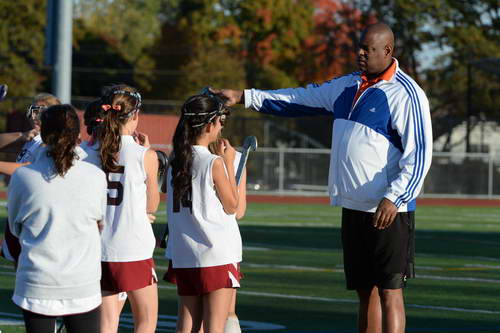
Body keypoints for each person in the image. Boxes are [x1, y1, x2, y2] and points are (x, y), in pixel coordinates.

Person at [215, 23, 433, 333]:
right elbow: (296, 99)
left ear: (387, 51)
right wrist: (242, 96)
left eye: (367, 49)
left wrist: (394, 197)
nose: (359, 53)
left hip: (388, 210)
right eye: (358, 46)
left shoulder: (406, 94)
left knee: (390, 290)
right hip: (353, 205)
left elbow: (420, 154)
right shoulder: (345, 86)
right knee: (364, 291)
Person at [7, 104, 107, 333]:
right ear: (78, 135)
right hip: (82, 283)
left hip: (37, 282)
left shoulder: (23, 176)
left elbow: (15, 228)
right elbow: (100, 224)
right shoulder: (96, 176)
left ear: (43, 134)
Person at [81, 85, 160, 333]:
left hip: (97, 247)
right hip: (133, 247)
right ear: (135, 115)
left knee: (106, 324)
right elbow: (152, 204)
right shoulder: (144, 154)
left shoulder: (85, 152)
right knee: (146, 322)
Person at [163, 94, 243, 333]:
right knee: (214, 327)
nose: (221, 128)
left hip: (185, 252)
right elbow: (233, 206)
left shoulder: (175, 159)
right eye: (220, 122)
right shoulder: (213, 162)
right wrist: (228, 162)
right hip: (215, 252)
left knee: (186, 324)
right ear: (209, 125)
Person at [0, 93, 61, 264]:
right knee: (18, 264)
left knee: (30, 266)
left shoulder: (51, 141)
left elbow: (27, 169)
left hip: (34, 211)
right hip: (20, 207)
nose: (34, 116)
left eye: (40, 112)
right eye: (33, 111)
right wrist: (22, 135)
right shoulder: (33, 138)